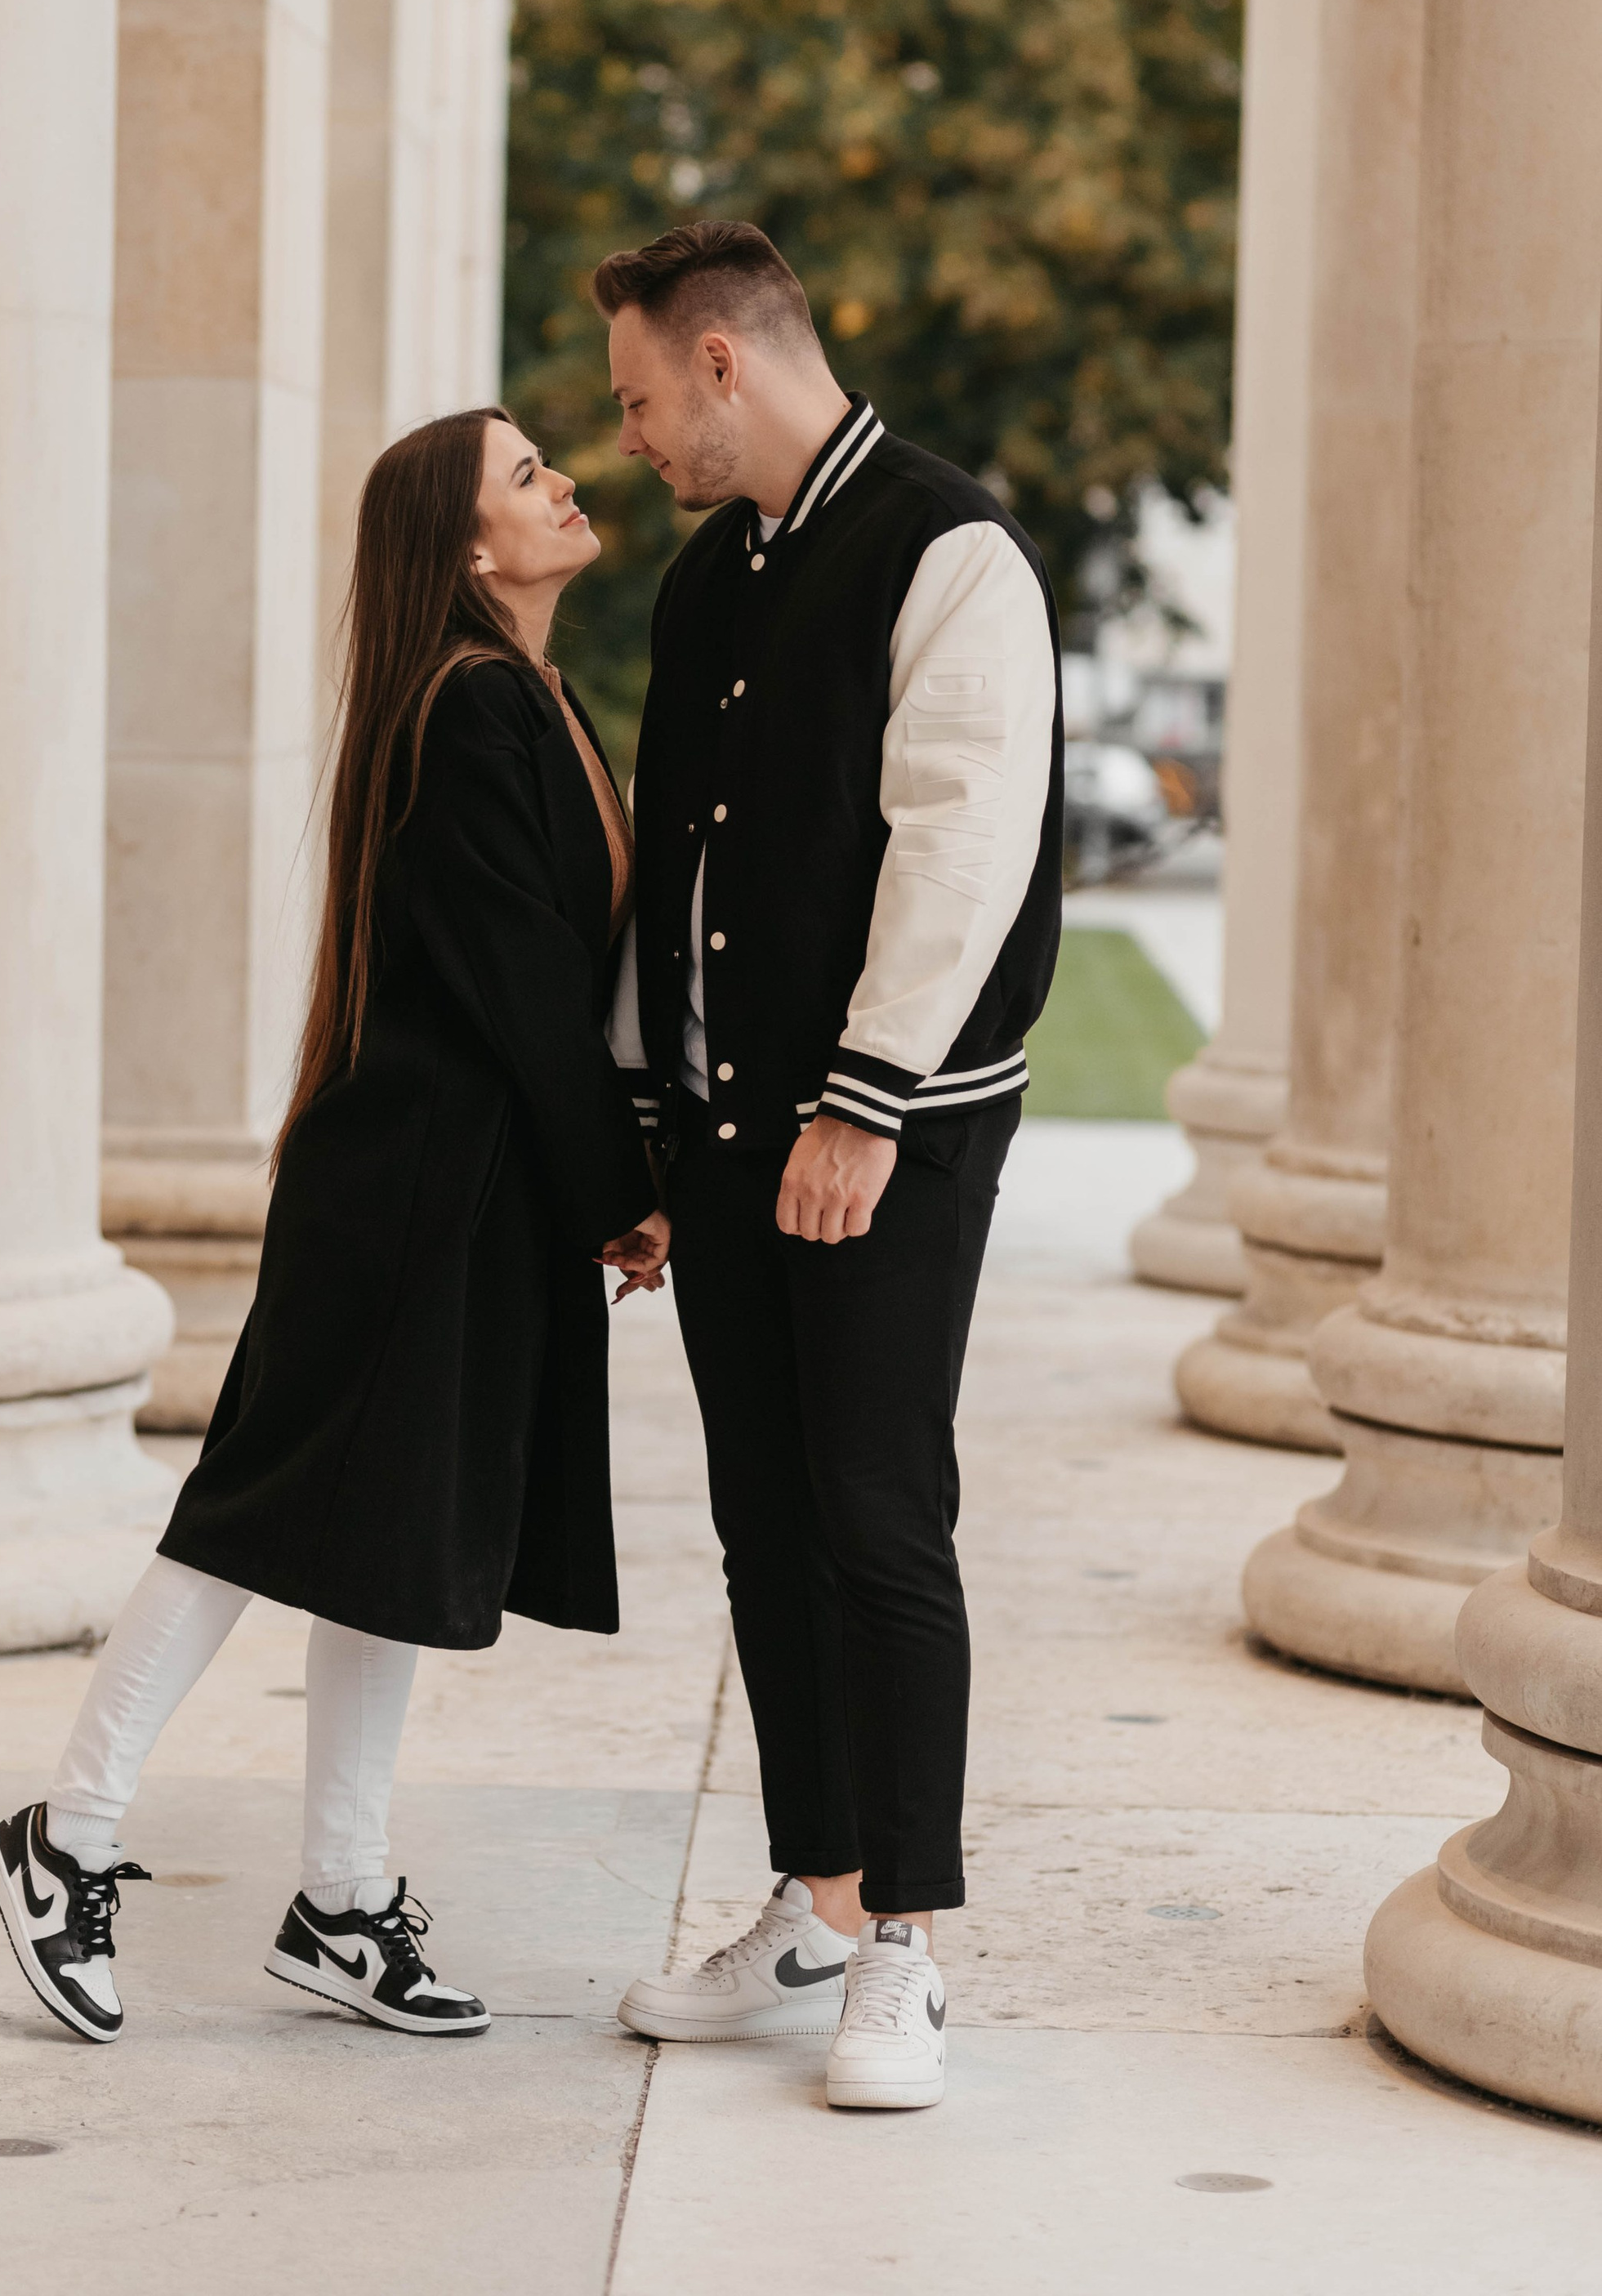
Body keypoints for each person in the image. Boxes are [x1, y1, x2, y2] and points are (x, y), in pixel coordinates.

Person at [0, 409, 667, 2046]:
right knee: (257, 1513)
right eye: (521, 475)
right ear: (469, 550)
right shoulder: (471, 710)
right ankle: (63, 1834)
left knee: (392, 1543)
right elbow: (519, 992)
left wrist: (593, 1184)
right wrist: (620, 1189)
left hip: (459, 1198)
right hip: (409, 1197)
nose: (561, 478)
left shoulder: (526, 700)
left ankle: (341, 1901)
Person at [599, 221, 1061, 2114]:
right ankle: (814, 1891)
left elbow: (961, 841)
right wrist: (643, 1131)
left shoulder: (950, 550)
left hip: (886, 1129)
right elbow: (674, 865)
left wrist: (863, 1102)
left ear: (722, 360)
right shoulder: (709, 578)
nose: (623, 433)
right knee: (762, 1520)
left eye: (635, 396)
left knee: (878, 1516)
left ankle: (906, 1948)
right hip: (721, 1135)